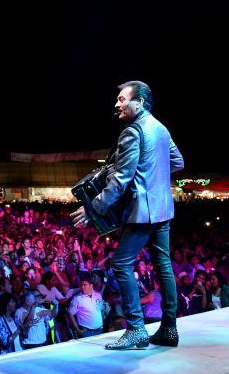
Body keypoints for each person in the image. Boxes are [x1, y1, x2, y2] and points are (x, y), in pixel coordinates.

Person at [72, 80, 184, 349]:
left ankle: (135, 329)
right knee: (164, 266)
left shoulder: (132, 131)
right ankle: (169, 328)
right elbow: (178, 162)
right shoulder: (161, 128)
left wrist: (93, 208)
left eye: (122, 99)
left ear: (139, 102)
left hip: (142, 212)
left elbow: (121, 179)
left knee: (121, 264)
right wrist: (153, 174)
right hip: (163, 209)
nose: (117, 104)